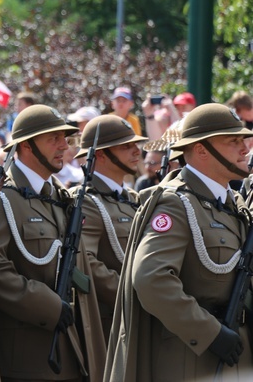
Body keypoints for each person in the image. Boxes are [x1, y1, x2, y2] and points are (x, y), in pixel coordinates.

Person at [106, 103, 253, 381]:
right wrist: (209, 334)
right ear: (201, 150)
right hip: (195, 358)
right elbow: (151, 280)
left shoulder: (232, 204)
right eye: (233, 141)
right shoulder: (176, 204)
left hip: (237, 353)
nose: (245, 148)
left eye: (243, 139)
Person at [0, 104, 106, 381]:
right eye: (53, 138)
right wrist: (48, 306)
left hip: (71, 350)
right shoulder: (1, 198)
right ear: (27, 146)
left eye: (65, 138)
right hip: (27, 355)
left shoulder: (58, 196)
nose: (64, 146)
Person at [70, 115, 146, 341]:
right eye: (126, 146)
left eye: (135, 145)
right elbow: (87, 263)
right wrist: (136, 298)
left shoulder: (132, 198)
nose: (136, 151)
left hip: (137, 319)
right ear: (101, 154)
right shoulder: (87, 201)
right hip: (110, 324)